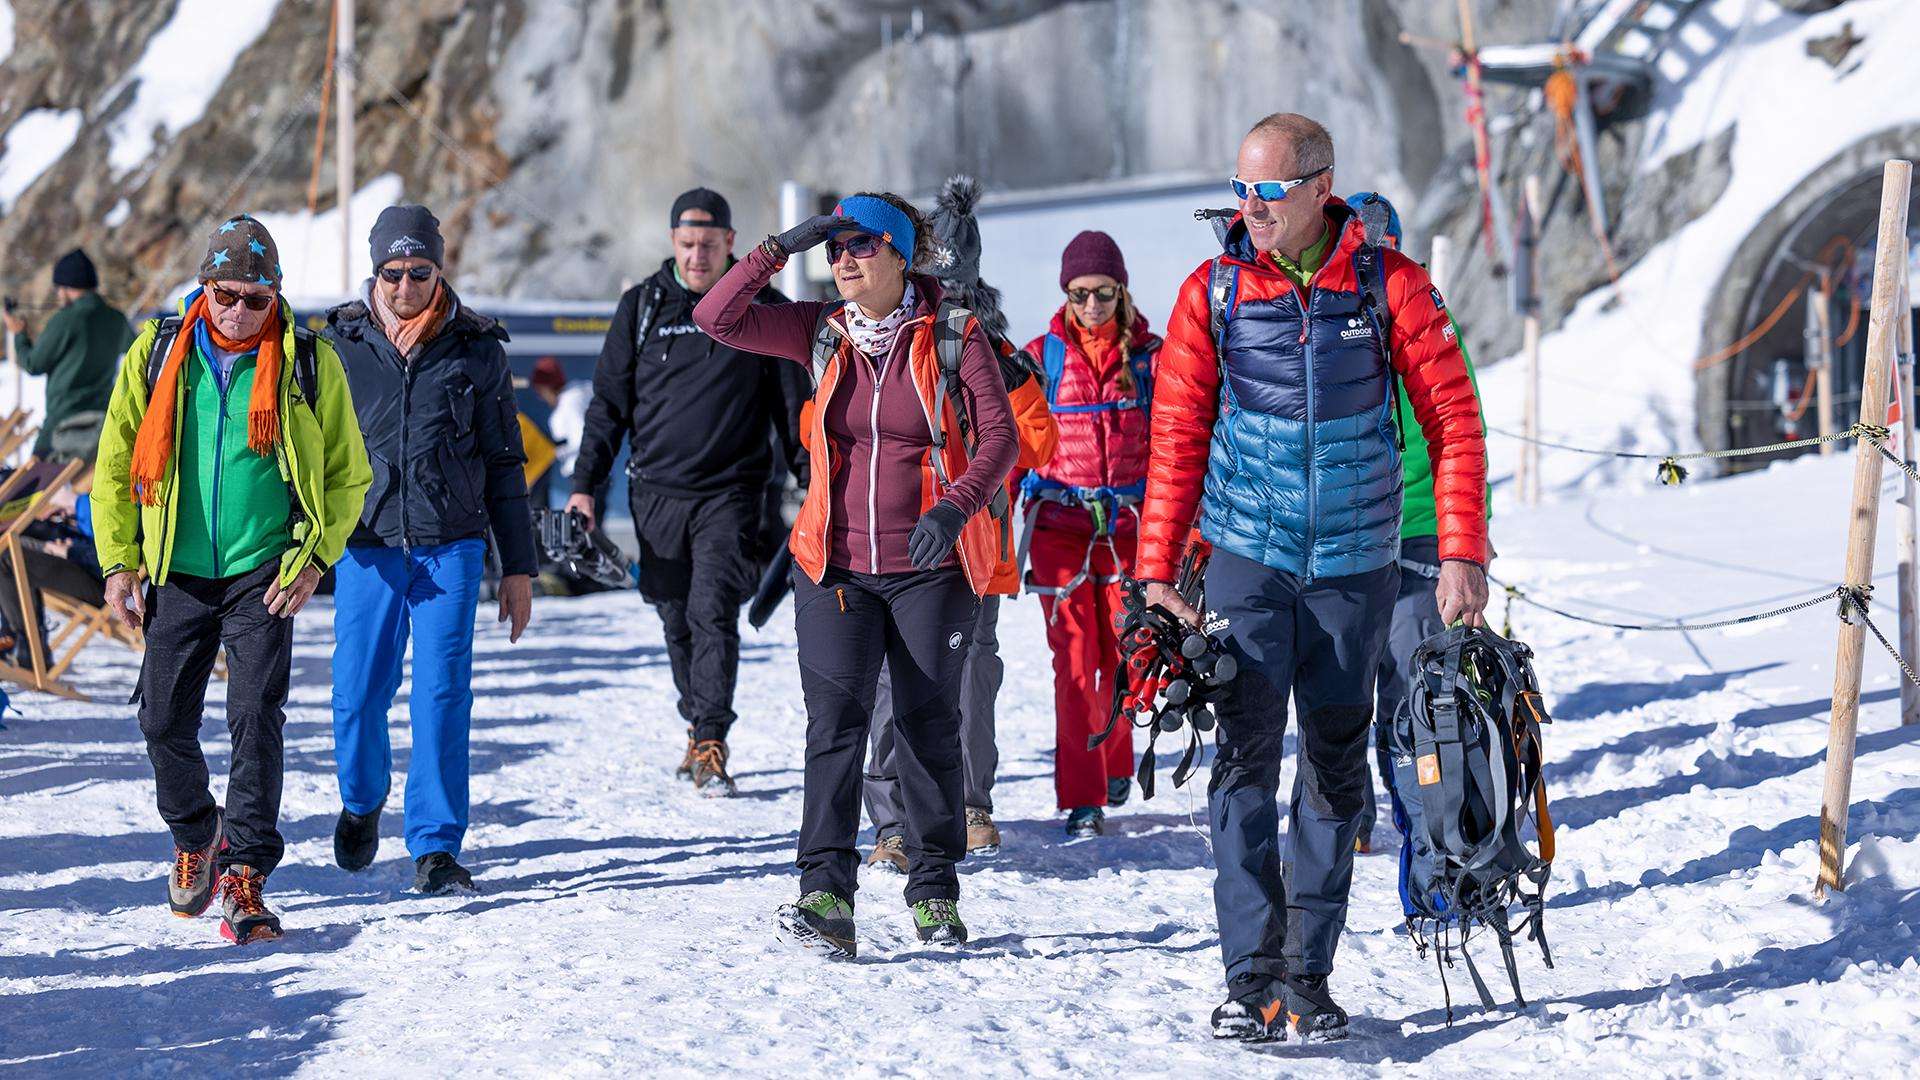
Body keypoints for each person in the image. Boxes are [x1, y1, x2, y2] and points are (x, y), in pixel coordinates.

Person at [1136, 115, 1489, 1041]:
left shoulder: (1389, 284)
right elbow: (1175, 435)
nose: (1249, 208)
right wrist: (1157, 569)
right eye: (1239, 189)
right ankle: (1249, 979)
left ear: (1321, 187)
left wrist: (1461, 550)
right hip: (1247, 562)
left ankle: (1307, 977)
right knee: (1243, 763)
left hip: (1354, 569)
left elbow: (1453, 419)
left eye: (1268, 191)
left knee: (1334, 773)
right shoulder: (1212, 291)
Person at [694, 193, 1017, 955]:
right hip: (833, 566)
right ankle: (825, 894)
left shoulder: (953, 333)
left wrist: (955, 509)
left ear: (901, 254)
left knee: (927, 727)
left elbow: (1000, 438)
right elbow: (716, 316)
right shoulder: (819, 329)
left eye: (861, 245)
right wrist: (782, 245)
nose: (843, 260)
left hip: (929, 568)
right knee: (833, 728)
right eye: (833, 248)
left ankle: (934, 892)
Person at [93, 214, 372, 945]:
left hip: (263, 572)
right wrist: (119, 560)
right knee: (161, 721)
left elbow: (348, 475)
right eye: (226, 294)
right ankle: (197, 832)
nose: (240, 310)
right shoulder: (158, 353)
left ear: (275, 295)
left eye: (256, 298)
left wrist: (315, 559)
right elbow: (116, 463)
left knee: (254, 717)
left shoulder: (308, 362)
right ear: (203, 288)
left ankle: (245, 872)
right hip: (176, 571)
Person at [323, 205, 536, 895]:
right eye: (394, 272)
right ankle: (362, 799)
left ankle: (436, 844)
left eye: (420, 271)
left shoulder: (477, 348)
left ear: (439, 270)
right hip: (367, 545)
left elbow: (505, 463)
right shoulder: (338, 346)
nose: (406, 285)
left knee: (442, 696)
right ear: (375, 272)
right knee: (358, 694)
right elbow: (306, 454)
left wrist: (518, 567)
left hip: (452, 547)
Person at [568, 188, 808, 796]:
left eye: (709, 243)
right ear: (673, 242)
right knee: (674, 615)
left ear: (731, 242)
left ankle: (711, 737)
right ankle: (698, 722)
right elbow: (608, 407)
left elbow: (793, 411)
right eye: (688, 243)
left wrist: (813, 482)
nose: (698, 255)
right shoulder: (641, 307)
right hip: (655, 495)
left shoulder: (764, 309)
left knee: (711, 610)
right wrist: (584, 488)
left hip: (733, 495)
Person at [862, 175, 1057, 870]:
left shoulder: (1000, 355)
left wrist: (993, 408)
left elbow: (1039, 443)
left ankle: (966, 807)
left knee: (969, 673)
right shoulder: (879, 340)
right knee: (900, 674)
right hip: (897, 537)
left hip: (974, 544)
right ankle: (896, 822)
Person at [1340, 190, 1493, 854]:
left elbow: (1465, 428)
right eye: (1361, 247)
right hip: (1349, 533)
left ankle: (1432, 828)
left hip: (1422, 532)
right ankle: (1356, 815)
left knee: (1416, 686)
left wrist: (1473, 540)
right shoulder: (1326, 325)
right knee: (1347, 688)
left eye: (1384, 246)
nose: (1374, 259)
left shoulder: (1426, 317)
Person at [1020, 230, 1161, 840]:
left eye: (1103, 292)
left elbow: (1177, 447)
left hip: (1132, 529)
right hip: (1061, 528)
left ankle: (1115, 757)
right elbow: (1012, 443)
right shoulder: (1040, 358)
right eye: (1080, 293)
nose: (1093, 305)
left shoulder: (1152, 359)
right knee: (1076, 665)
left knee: (1132, 654)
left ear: (1121, 290)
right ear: (1066, 294)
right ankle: (1084, 797)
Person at [4, 248, 134, 460]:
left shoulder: (65, 320)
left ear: (65, 288)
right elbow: (135, 347)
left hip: (62, 425)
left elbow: (33, 364)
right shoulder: (116, 318)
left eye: (58, 288)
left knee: (34, 478)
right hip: (101, 423)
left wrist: (19, 335)